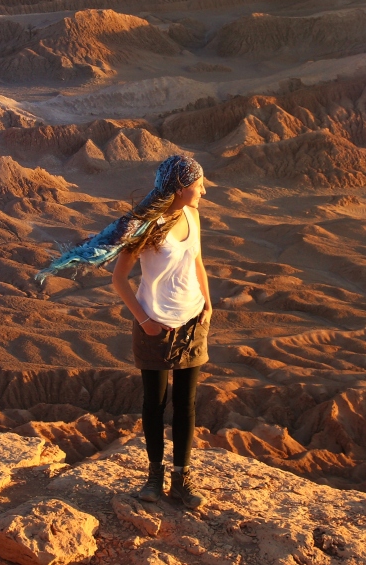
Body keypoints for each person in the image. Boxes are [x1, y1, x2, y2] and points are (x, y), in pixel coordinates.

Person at [35, 154, 211, 509]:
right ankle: (154, 478)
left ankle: (182, 479)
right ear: (179, 189)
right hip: (155, 324)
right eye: (198, 184)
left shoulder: (192, 216)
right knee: (154, 404)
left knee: (186, 405)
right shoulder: (149, 226)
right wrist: (144, 321)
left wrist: (208, 304)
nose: (204, 190)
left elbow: (197, 262)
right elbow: (119, 278)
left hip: (192, 321)